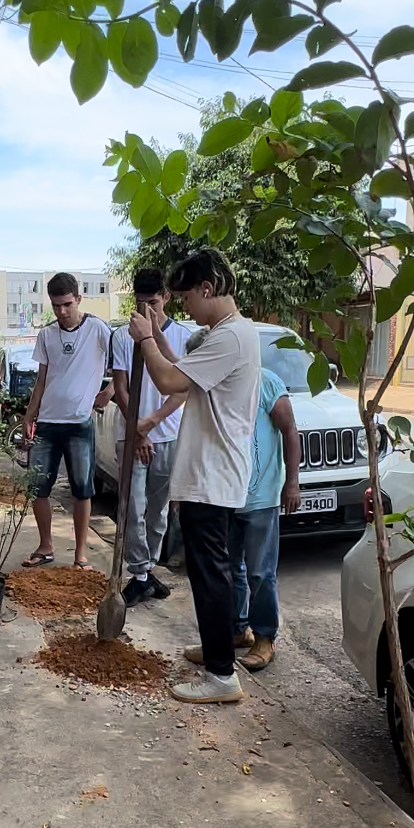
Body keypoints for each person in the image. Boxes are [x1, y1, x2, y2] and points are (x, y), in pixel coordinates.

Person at [127, 249, 260, 704]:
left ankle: (222, 676)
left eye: (186, 298)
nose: (184, 308)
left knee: (210, 575)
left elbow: (167, 382)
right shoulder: (225, 334)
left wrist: (146, 338)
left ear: (207, 289)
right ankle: (215, 649)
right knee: (210, 572)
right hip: (211, 471)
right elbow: (180, 370)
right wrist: (158, 338)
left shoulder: (231, 338)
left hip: (212, 473)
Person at [22, 273, 113, 571]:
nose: (61, 311)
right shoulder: (47, 335)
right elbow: (42, 378)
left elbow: (123, 365)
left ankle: (81, 554)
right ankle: (46, 545)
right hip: (47, 422)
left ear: (78, 299)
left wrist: (109, 391)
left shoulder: (98, 329)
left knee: (82, 489)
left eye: (66, 304)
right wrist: (29, 414)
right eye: (56, 305)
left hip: (79, 424)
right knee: (38, 487)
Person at [110, 267, 190, 606]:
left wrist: (152, 422)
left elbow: (184, 389)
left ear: (167, 298)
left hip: (168, 434)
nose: (147, 311)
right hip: (130, 435)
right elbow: (121, 388)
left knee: (158, 512)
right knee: (133, 507)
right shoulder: (121, 337)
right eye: (141, 303)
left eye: (153, 303)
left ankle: (146, 570)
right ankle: (140, 572)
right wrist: (138, 430)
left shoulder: (184, 337)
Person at [222, 348, 302, 671]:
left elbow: (290, 430)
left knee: (260, 572)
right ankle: (237, 629)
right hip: (226, 497)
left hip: (260, 498)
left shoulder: (267, 383)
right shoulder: (219, 383)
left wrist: (292, 482)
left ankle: (265, 637)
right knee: (229, 569)